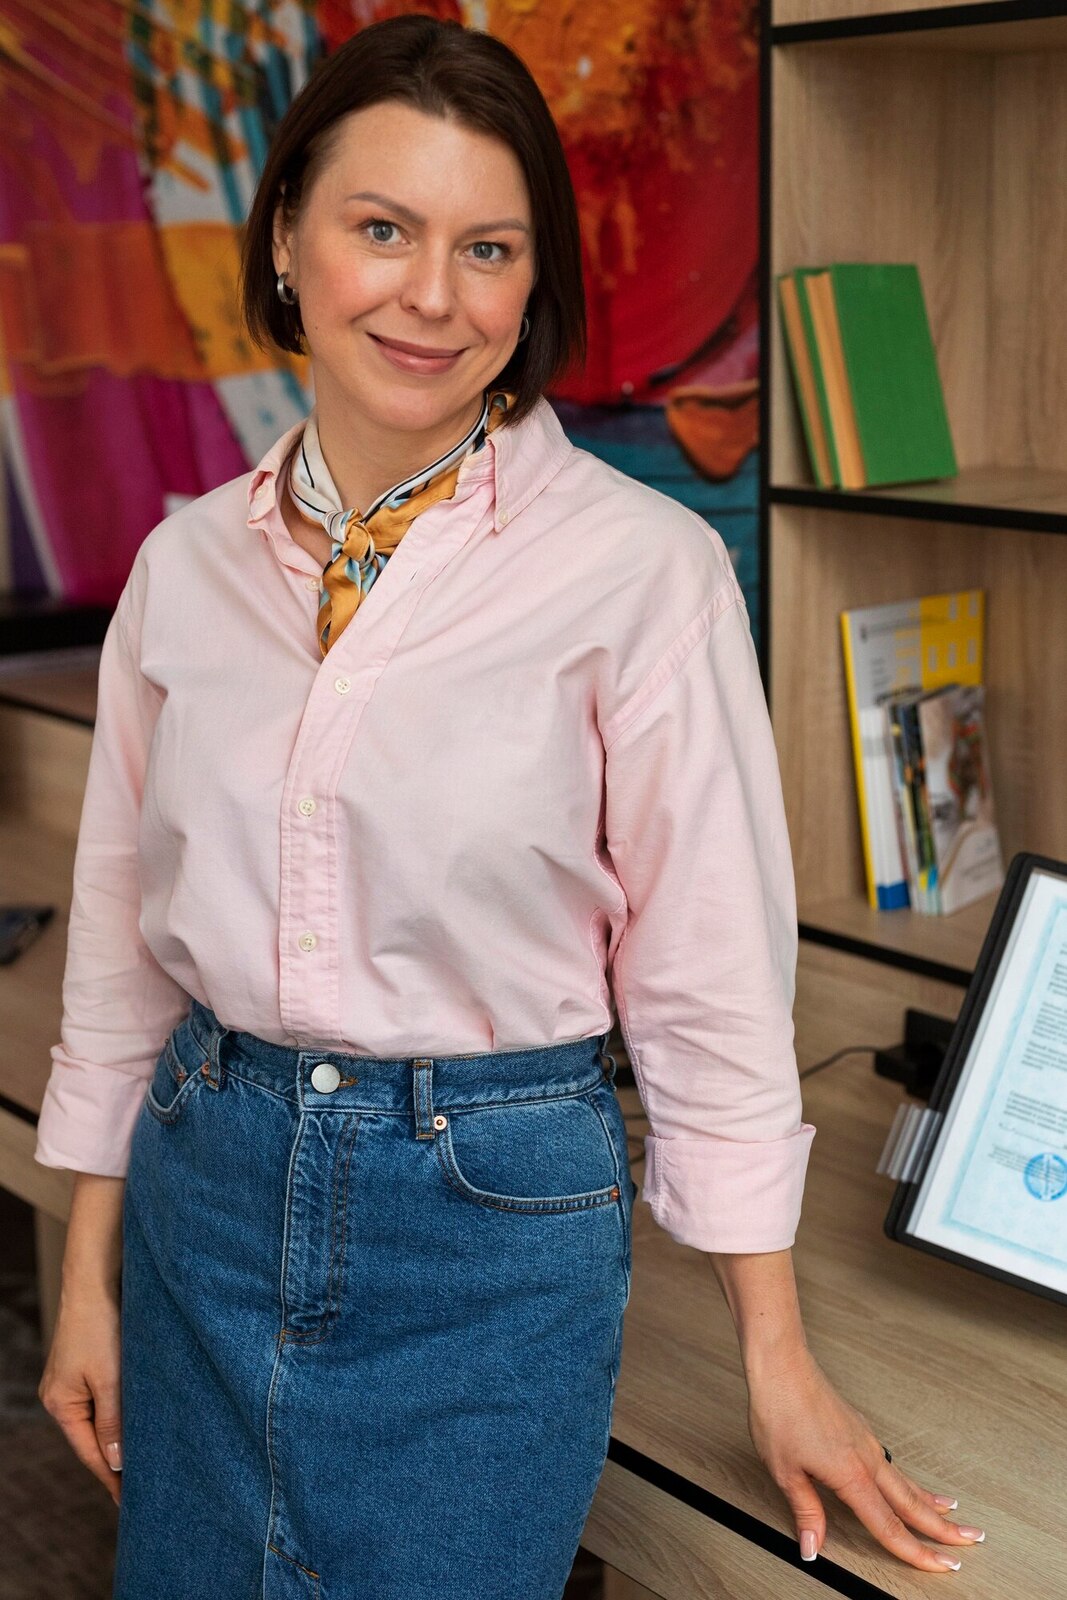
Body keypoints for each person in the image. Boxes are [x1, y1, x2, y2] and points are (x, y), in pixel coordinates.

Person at [34, 14, 982, 1597]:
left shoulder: (644, 572)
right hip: (203, 1200)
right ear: (288, 239)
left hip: (486, 1240)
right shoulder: (182, 566)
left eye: (488, 249)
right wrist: (86, 1276)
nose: (432, 296)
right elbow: (123, 953)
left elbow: (709, 985)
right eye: (382, 229)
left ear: (534, 286)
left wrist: (777, 1356)